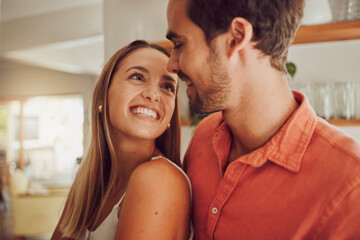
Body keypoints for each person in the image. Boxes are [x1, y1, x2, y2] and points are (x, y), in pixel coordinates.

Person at [166, 0, 360, 239]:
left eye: (179, 44)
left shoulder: (350, 184)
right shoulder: (204, 137)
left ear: (237, 37)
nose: (171, 64)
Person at [51, 40, 192, 240]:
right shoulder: (89, 182)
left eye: (167, 87)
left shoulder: (158, 179)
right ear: (103, 96)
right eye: (137, 77)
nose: (153, 95)